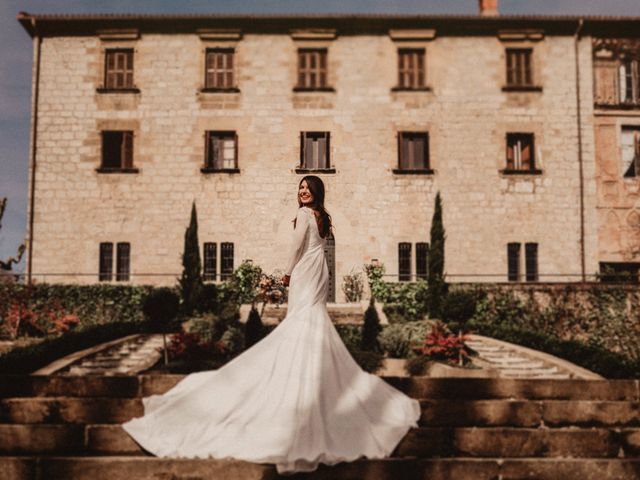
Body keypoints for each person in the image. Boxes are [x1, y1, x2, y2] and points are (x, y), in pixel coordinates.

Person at [122, 175, 421, 475]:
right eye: (300, 188)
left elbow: (295, 247)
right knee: (311, 319)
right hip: (320, 271)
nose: (302, 192)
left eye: (307, 188)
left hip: (305, 270)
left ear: (316, 192)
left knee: (302, 319)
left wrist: (287, 274)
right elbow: (315, 244)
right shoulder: (324, 217)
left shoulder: (304, 215)